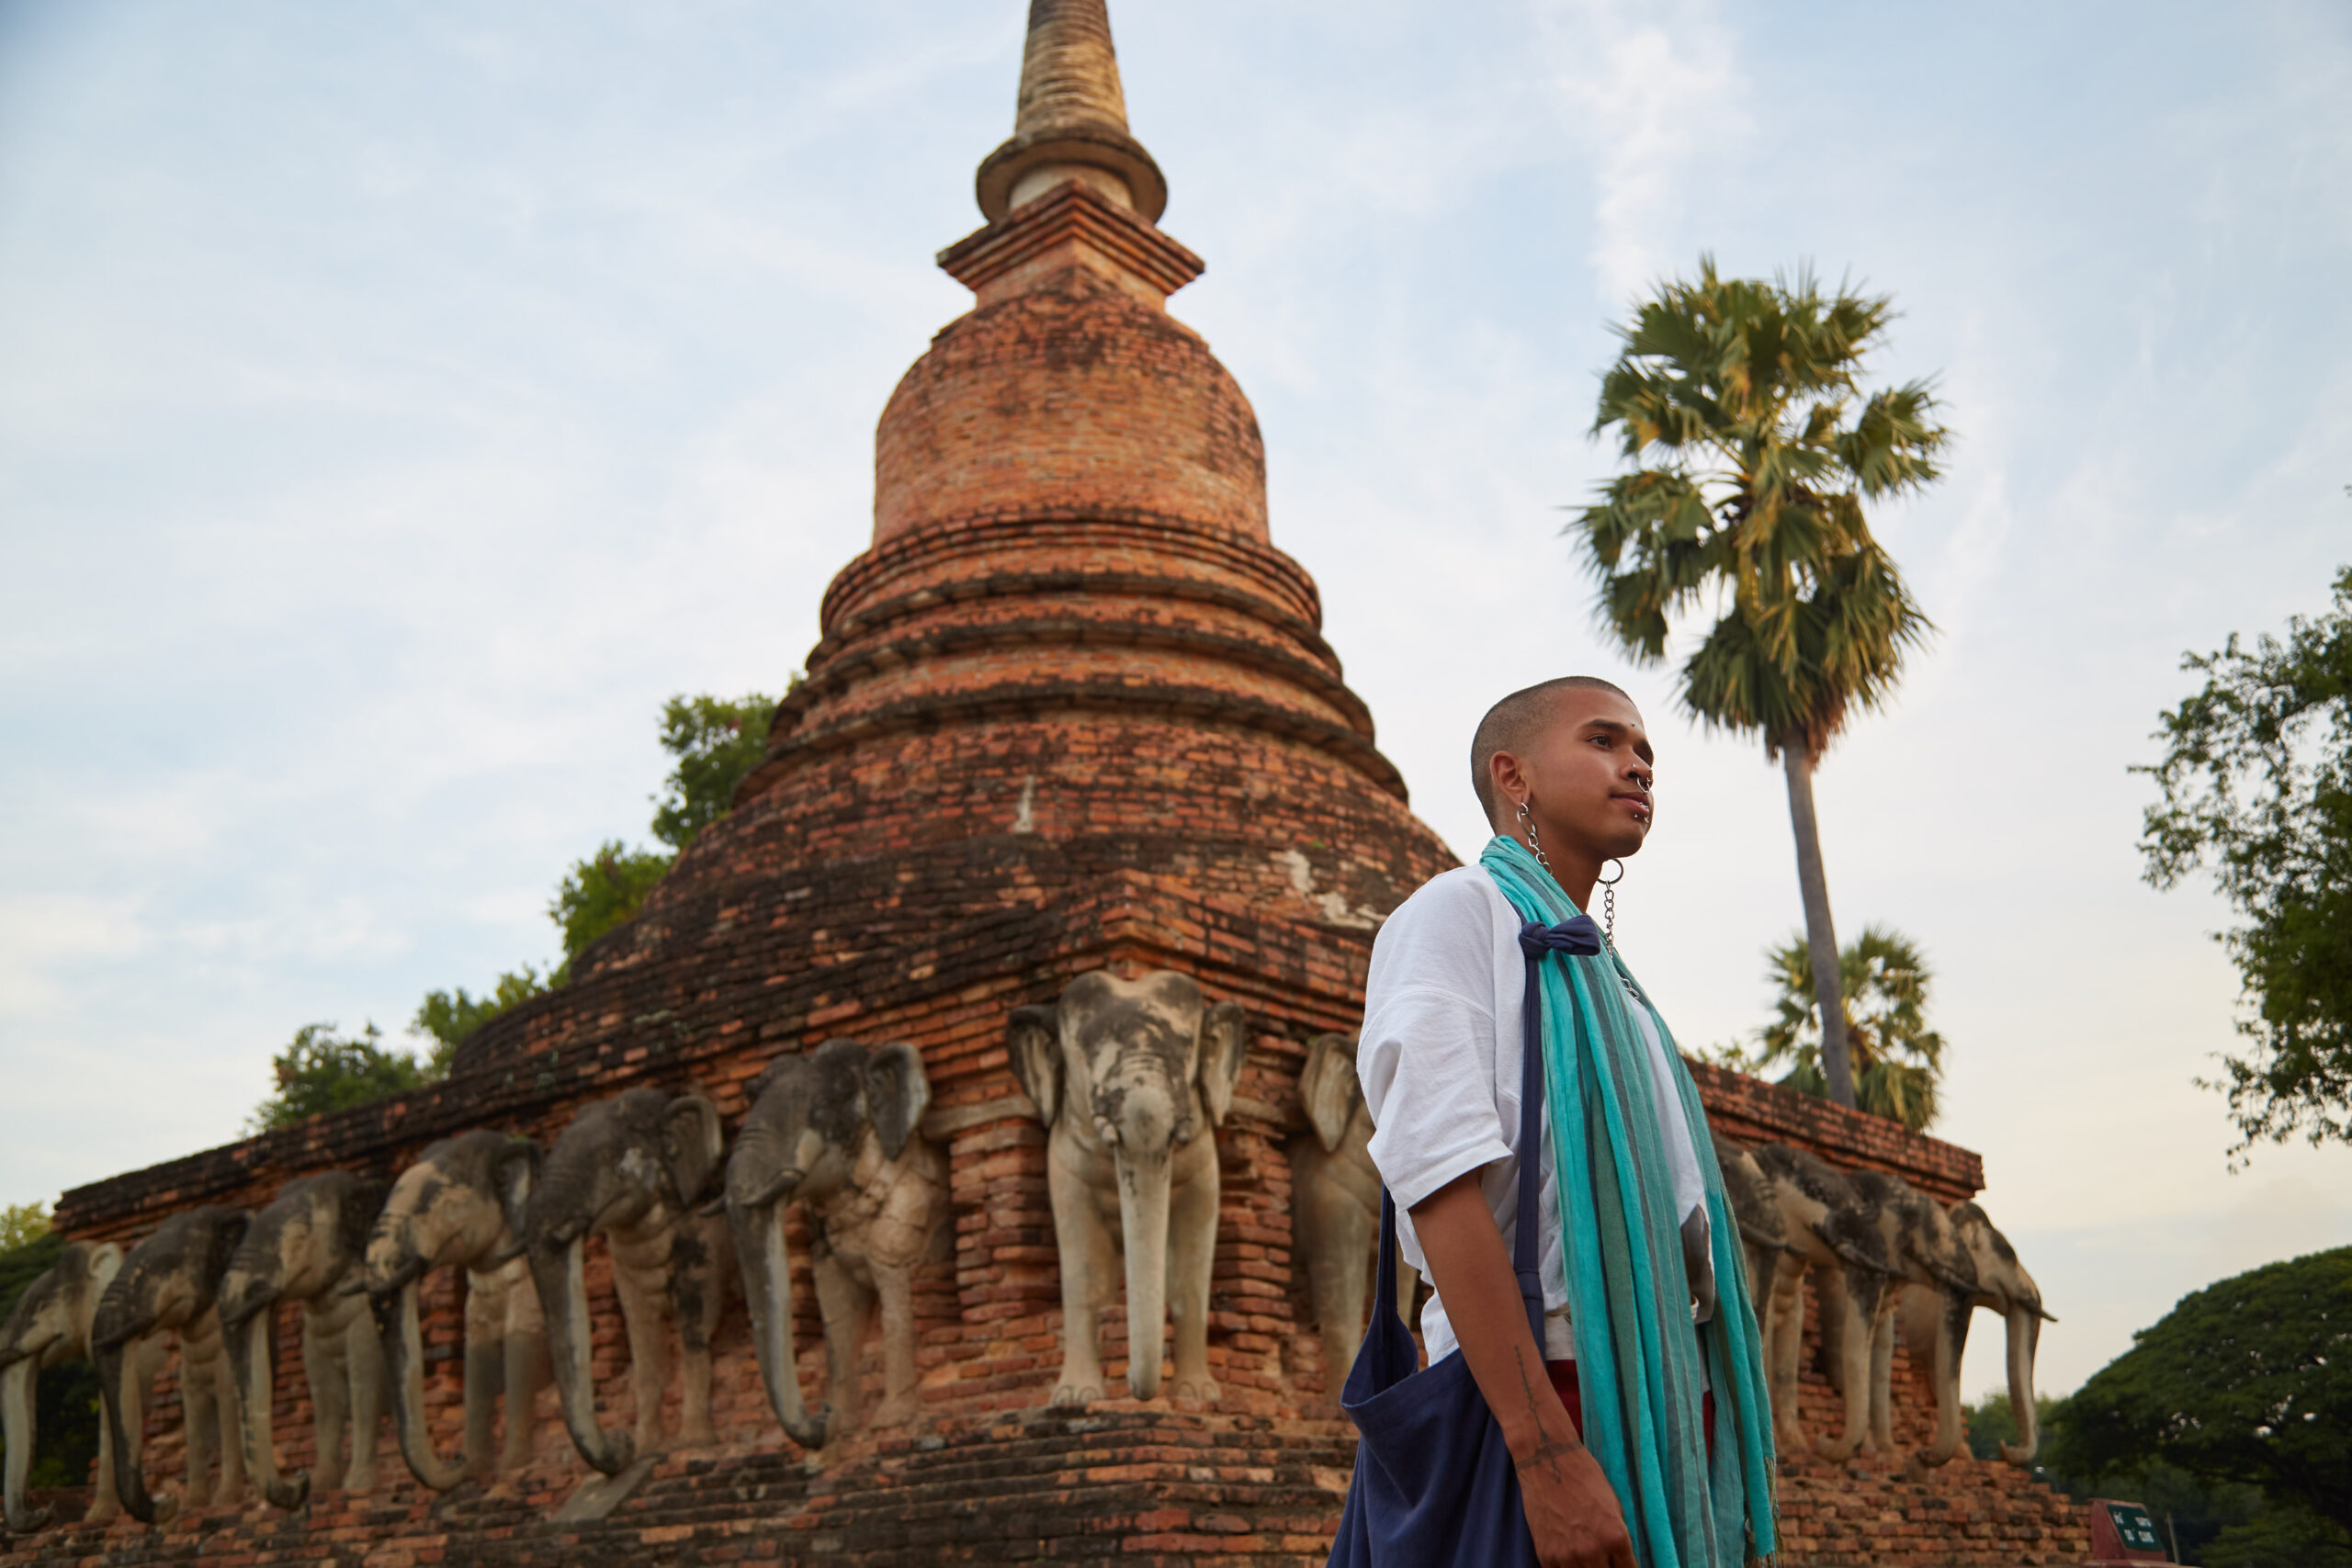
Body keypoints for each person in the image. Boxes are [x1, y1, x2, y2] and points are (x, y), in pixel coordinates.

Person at [1354, 676, 1775, 1568]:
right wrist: (1542, 1451)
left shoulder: (1610, 984)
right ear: (1515, 776)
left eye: (1646, 755)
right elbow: (1435, 1178)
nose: (1637, 767)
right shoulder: (1456, 917)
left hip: (1660, 1399)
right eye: (1604, 741)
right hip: (1539, 1399)